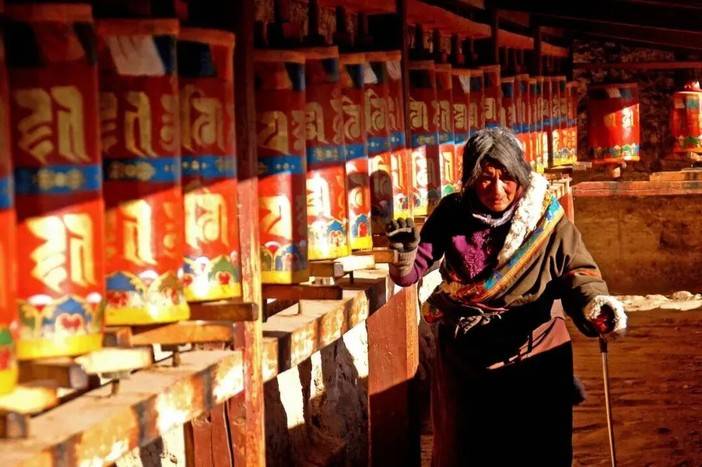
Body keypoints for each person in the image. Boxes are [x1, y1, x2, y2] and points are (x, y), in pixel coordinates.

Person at [386, 128, 627, 467]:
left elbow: (578, 273)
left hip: (534, 353)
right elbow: (409, 274)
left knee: (536, 452)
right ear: (471, 178)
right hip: (467, 358)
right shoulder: (452, 212)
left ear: (520, 176)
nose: (497, 189)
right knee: (466, 453)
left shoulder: (545, 220)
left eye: (506, 177)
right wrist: (403, 254)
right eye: (486, 178)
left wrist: (595, 305)